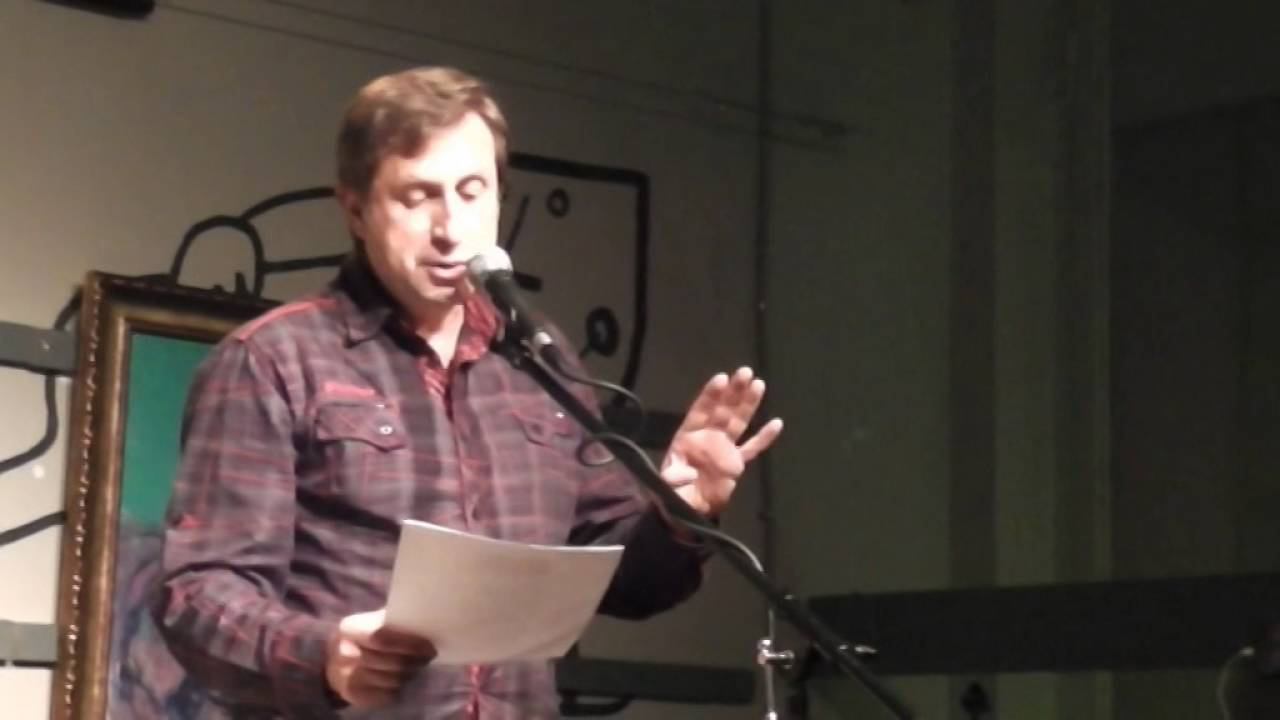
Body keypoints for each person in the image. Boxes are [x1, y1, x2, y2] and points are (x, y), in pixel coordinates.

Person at [151, 66, 783, 719]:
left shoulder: (540, 361)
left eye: (472, 192)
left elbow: (625, 583)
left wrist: (681, 509)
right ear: (356, 209)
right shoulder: (273, 360)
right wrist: (324, 657)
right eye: (417, 196)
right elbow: (197, 595)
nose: (452, 227)